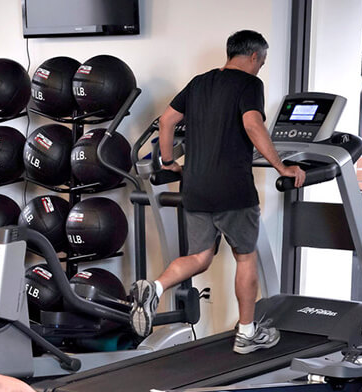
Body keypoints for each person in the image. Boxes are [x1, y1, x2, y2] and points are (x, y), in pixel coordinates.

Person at [127, 30, 306, 354]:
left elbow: (166, 122)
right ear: (254, 56)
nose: (260, 67)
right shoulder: (250, 85)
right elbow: (253, 125)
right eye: (262, 62)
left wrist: (168, 162)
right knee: (245, 256)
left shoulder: (199, 82)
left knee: (200, 257)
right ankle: (247, 334)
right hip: (233, 188)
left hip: (194, 187)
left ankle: (154, 287)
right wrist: (281, 166)